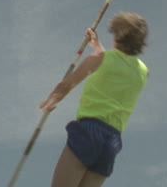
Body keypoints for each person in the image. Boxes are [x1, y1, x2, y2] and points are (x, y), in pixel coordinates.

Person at [40, 12, 149, 187]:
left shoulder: (99, 60)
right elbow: (116, 67)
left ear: (118, 35)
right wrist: (98, 47)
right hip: (111, 142)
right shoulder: (143, 72)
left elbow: (67, 84)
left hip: (89, 132)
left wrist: (50, 101)